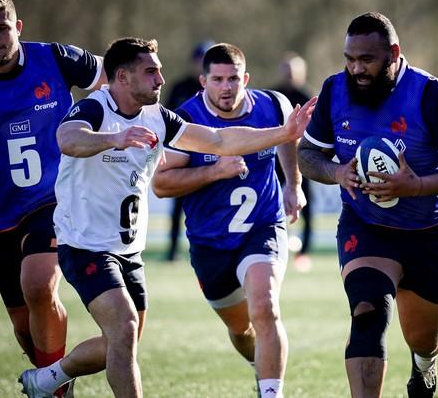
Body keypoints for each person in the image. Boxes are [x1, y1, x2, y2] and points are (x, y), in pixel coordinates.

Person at [18, 37, 316, 398]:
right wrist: (113, 139)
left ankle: (47, 379)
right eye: (151, 72)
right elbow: (68, 139)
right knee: (124, 328)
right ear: (123, 77)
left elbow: (219, 141)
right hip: (85, 246)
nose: (161, 79)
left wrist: (284, 133)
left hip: (128, 252)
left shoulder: (158, 116)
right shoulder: (96, 108)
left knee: (123, 340)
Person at [298, 12, 438, 397]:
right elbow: (307, 155)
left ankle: (424, 364)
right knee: (367, 313)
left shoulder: (432, 95)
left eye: (366, 59)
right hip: (366, 225)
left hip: (427, 232)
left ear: (394, 54)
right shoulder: (335, 90)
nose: (356, 69)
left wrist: (415, 186)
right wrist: (336, 172)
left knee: (423, 338)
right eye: (350, 59)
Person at [0, 0, 104, 394]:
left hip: (54, 198)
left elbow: (117, 79)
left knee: (40, 285)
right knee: (23, 327)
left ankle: (54, 391)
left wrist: (102, 131)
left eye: (3, 28)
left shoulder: (55, 58)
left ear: (19, 27)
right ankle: (56, 382)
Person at [152, 43, 303, 398]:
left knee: (264, 306)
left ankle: (271, 392)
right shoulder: (184, 121)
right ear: (203, 82)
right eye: (217, 79)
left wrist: (293, 183)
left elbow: (287, 136)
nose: (226, 87)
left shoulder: (272, 105)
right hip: (210, 243)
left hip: (262, 227)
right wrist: (214, 171)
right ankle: (260, 366)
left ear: (245, 79)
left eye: (233, 79)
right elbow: (160, 185)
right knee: (241, 329)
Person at [163, 40, 214, 262]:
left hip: (208, 155)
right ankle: (173, 250)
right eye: (199, 60)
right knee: (177, 206)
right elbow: (164, 118)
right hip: (181, 154)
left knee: (209, 203)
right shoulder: (180, 87)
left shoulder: (217, 90)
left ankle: (210, 248)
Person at [273, 52, 315, 271]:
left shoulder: (307, 96)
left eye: (293, 71)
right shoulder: (273, 97)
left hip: (302, 159)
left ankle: (304, 251)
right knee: (271, 201)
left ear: (302, 72)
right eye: (286, 70)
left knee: (306, 204)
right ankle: (272, 244)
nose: (289, 75)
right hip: (276, 157)